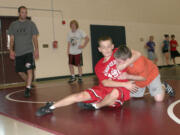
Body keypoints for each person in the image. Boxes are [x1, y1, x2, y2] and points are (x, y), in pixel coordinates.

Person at [36, 36, 141, 117]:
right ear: (99, 49)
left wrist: (125, 65)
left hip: (120, 90)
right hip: (104, 89)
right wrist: (125, 83)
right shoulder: (99, 66)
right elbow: (105, 83)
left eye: (109, 46)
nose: (107, 49)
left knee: (114, 93)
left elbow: (137, 53)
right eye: (103, 47)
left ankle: (96, 106)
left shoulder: (118, 52)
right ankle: (51, 106)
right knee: (80, 96)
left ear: (113, 46)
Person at [8, 6, 39, 97]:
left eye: (25, 12)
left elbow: (34, 38)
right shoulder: (13, 25)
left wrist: (36, 49)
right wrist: (11, 51)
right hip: (18, 53)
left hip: (29, 51)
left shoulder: (31, 24)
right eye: (22, 12)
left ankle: (27, 89)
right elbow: (12, 40)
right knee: (20, 71)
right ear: (19, 13)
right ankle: (28, 83)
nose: (24, 14)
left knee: (29, 70)